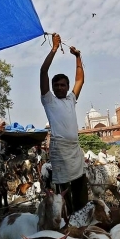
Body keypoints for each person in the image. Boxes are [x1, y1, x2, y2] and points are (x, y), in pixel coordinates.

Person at [39, 33, 86, 214]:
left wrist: (78, 57)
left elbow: (80, 80)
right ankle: (65, 221)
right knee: (63, 193)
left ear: (67, 87)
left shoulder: (70, 99)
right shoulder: (48, 100)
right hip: (59, 149)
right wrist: (54, 49)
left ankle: (82, 219)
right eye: (56, 85)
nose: (59, 87)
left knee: (81, 186)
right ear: (52, 87)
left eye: (62, 85)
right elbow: (43, 72)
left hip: (75, 148)